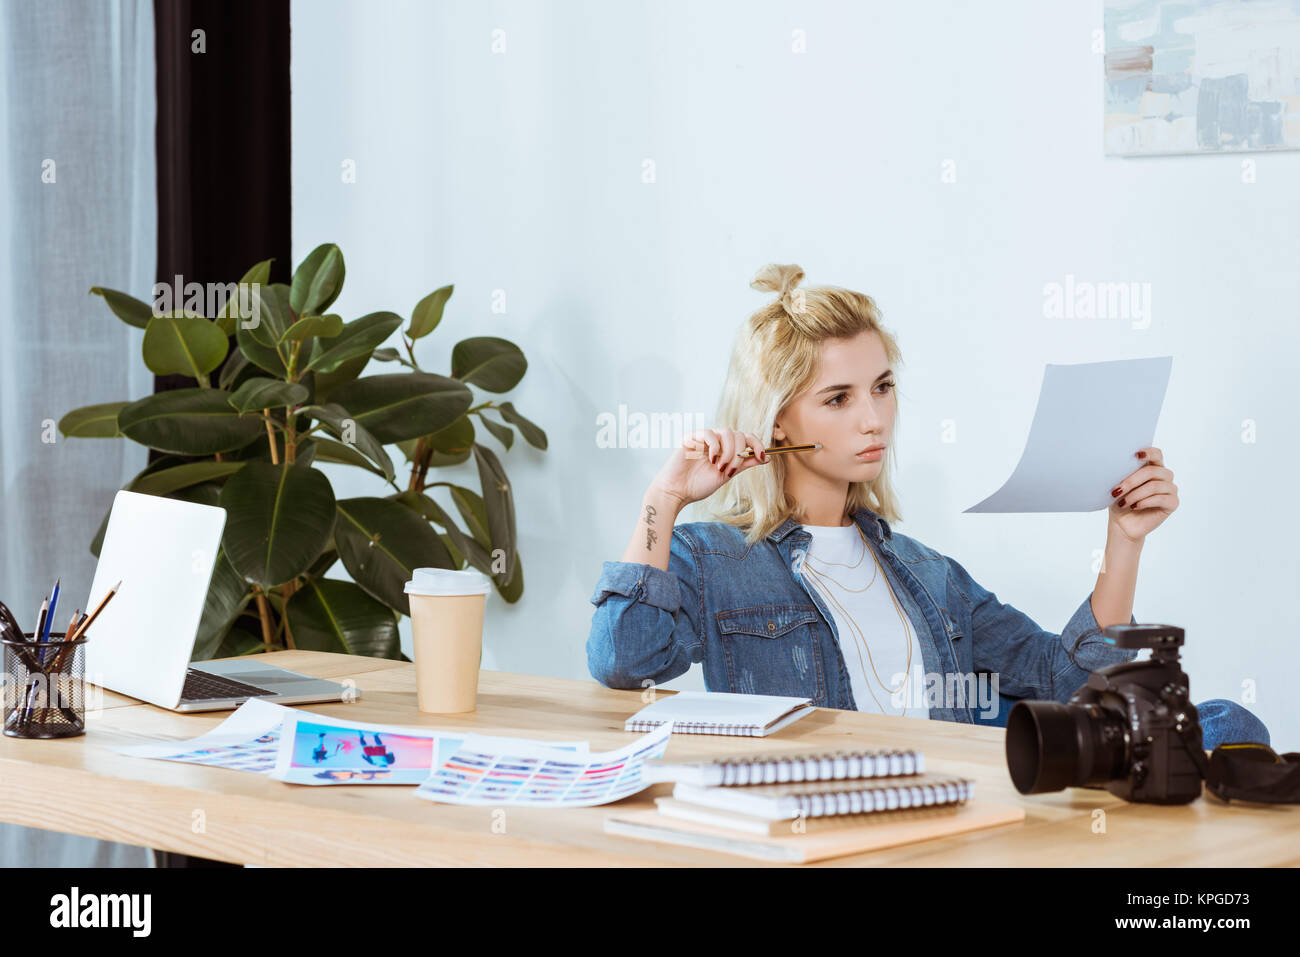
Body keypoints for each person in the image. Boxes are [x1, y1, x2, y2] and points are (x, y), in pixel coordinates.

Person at [586, 263, 1269, 750]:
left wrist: (1125, 539)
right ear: (774, 418)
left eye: (881, 387)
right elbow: (625, 658)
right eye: (838, 397)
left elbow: (1066, 677)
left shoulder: (930, 574)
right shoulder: (712, 557)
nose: (873, 417)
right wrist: (664, 498)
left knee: (1225, 723)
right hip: (824, 807)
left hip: (954, 796)